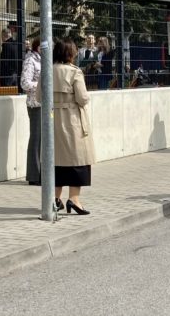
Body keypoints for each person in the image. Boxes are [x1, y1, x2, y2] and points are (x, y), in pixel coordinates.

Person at [51, 39, 95, 214]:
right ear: (70, 54)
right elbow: (83, 98)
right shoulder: (74, 72)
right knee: (78, 159)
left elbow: (39, 96)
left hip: (52, 118)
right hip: (72, 120)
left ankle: (55, 198)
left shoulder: (47, 71)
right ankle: (74, 199)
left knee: (55, 159)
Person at [21, 38, 42, 186]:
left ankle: (42, 173)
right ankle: (34, 175)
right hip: (35, 104)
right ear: (38, 47)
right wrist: (42, 85)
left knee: (44, 140)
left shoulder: (45, 60)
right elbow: (25, 83)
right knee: (36, 138)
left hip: (46, 104)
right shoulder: (30, 60)